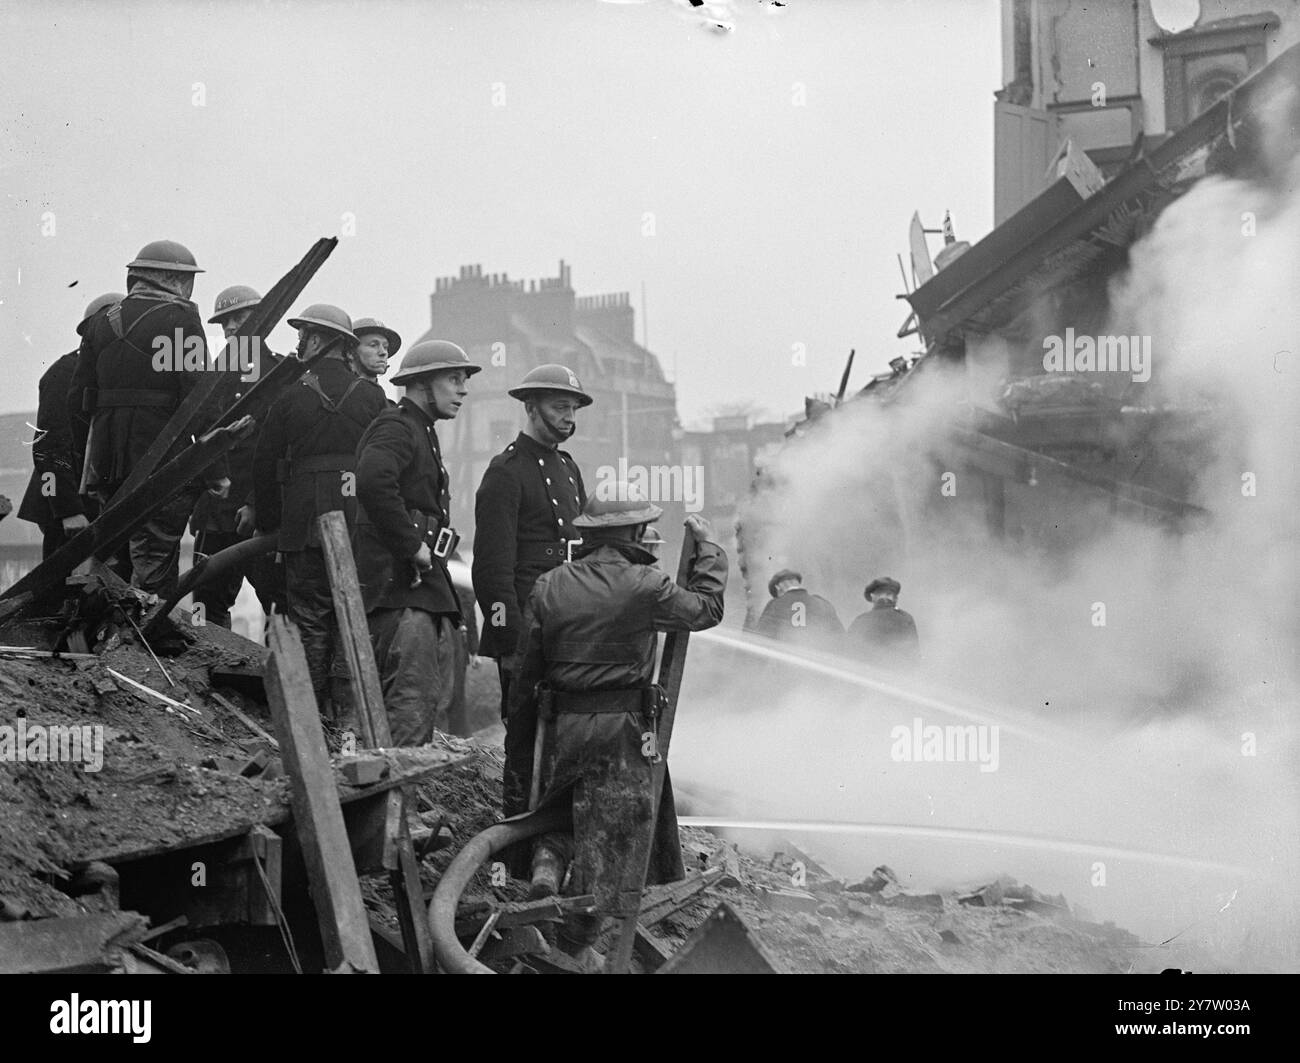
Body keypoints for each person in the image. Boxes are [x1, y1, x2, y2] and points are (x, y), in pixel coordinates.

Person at [506, 490, 727, 970]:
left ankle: (546, 870)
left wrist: (521, 734)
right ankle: (578, 940)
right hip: (622, 730)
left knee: (559, 810)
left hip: (563, 724)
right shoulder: (646, 586)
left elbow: (527, 671)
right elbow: (706, 609)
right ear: (629, 533)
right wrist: (708, 549)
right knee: (612, 834)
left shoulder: (549, 585)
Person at [68, 240, 230, 598]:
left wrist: (89, 460)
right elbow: (198, 398)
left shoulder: (101, 322)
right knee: (155, 558)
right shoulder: (181, 319)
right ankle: (151, 644)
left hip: (106, 463)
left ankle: (113, 641)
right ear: (174, 279)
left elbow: (77, 401)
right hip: (159, 456)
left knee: (113, 557)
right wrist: (215, 468)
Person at [252, 304, 387, 719]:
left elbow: (264, 463)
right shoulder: (372, 396)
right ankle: (348, 720)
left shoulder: (290, 395)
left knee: (309, 620)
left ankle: (311, 722)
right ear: (346, 347)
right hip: (356, 524)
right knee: (351, 617)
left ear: (317, 340)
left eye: (304, 335)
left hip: (302, 525)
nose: (299, 343)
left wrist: (271, 523)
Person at [473, 365, 590, 818]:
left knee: (568, 732)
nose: (569, 417)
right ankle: (518, 847)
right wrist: (510, 642)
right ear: (530, 407)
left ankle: (558, 839)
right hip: (525, 626)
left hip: (567, 624)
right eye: (560, 407)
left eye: (573, 408)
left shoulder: (567, 467)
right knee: (523, 736)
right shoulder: (506, 471)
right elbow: (491, 570)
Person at [354, 340, 480, 744]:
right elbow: (372, 480)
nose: (462, 389)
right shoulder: (397, 425)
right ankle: (397, 806)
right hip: (399, 594)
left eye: (464, 380)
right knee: (410, 709)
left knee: (422, 709)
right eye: (453, 378)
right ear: (423, 383)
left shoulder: (420, 430)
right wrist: (412, 546)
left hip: (415, 592)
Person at [189, 285, 286, 629]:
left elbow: (279, 448)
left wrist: (256, 502)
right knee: (205, 605)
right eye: (224, 322)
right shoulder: (211, 375)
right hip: (215, 513)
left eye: (239, 318)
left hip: (258, 515)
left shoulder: (279, 373)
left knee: (278, 603)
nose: (230, 328)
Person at [19, 292, 121, 558]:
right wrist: (68, 511)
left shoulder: (110, 373)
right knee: (58, 591)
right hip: (66, 510)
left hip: (96, 504)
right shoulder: (65, 372)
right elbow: (48, 448)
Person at [753, 568, 843, 649]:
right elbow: (840, 638)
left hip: (785, 663)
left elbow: (760, 640)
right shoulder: (822, 603)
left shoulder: (774, 604)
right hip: (817, 662)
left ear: (778, 588)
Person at [847, 576, 919, 665]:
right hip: (898, 673)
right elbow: (914, 655)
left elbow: (848, 652)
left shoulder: (861, 620)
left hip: (865, 673)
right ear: (895, 599)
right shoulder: (905, 618)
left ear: (873, 597)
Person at [349, 318, 400, 392]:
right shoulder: (339, 392)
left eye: (385, 347)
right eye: (373, 345)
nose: (383, 352)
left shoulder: (382, 399)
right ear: (351, 352)